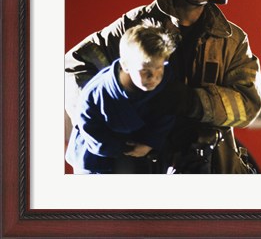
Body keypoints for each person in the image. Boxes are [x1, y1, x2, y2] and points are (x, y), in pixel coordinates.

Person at [65, 0, 261, 174]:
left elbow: (248, 105)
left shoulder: (232, 40)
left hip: (205, 165)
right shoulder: (133, 27)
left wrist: (193, 102)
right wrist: (112, 117)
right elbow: (75, 64)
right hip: (141, 165)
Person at [65, 22, 177, 174]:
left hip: (139, 153)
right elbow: (92, 133)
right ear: (126, 65)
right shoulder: (95, 94)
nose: (154, 78)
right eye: (145, 71)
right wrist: (125, 149)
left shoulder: (165, 78)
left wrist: (149, 143)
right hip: (95, 160)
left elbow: (167, 112)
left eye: (159, 70)